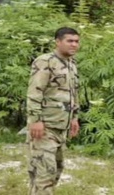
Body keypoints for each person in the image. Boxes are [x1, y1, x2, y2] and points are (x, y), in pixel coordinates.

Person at [26, 27, 81, 195]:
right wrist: (35, 120)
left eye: (76, 41)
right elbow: (35, 92)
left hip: (61, 127)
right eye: (69, 41)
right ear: (58, 42)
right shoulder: (45, 61)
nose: (74, 45)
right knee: (44, 174)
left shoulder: (72, 64)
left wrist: (74, 118)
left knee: (56, 171)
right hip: (45, 128)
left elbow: (73, 93)